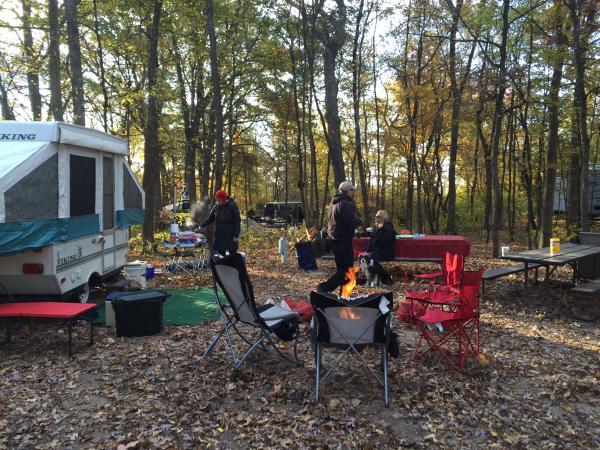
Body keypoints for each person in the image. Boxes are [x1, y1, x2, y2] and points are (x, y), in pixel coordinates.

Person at [317, 181, 362, 293]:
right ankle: (325, 287)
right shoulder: (346, 204)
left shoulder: (333, 204)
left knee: (342, 269)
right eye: (352, 190)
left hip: (334, 239)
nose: (353, 192)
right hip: (343, 240)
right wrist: (359, 221)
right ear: (346, 191)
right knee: (347, 270)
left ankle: (344, 294)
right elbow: (350, 222)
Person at [200, 189, 241, 255]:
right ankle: (222, 265)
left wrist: (236, 235)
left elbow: (237, 222)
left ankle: (232, 265)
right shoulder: (216, 207)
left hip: (231, 236)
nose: (217, 201)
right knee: (220, 257)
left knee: (233, 256)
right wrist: (201, 225)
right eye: (217, 199)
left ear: (224, 199)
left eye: (219, 199)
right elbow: (210, 218)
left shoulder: (233, 206)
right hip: (219, 236)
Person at [367, 210, 396, 284]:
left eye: (378, 217)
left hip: (386, 252)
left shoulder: (388, 228)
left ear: (383, 218)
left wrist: (375, 236)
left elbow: (385, 241)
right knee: (367, 258)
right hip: (379, 251)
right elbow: (374, 238)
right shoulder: (378, 227)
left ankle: (386, 279)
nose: (375, 218)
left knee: (371, 261)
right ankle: (381, 279)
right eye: (376, 216)